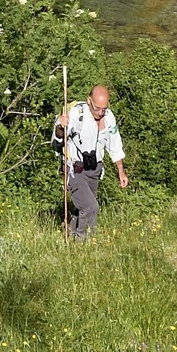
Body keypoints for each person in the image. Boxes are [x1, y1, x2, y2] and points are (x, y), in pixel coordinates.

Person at [53, 82, 127, 239]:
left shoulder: (109, 118)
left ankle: (70, 235)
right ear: (89, 101)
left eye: (104, 109)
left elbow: (114, 144)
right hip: (75, 169)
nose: (100, 112)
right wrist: (61, 126)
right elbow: (59, 136)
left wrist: (121, 171)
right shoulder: (77, 114)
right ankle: (83, 243)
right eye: (97, 108)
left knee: (83, 210)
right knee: (90, 207)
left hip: (94, 170)